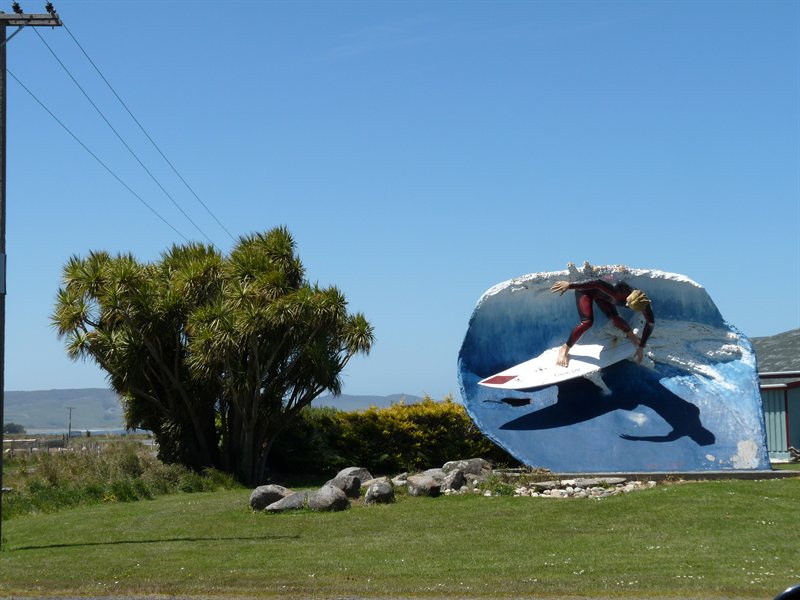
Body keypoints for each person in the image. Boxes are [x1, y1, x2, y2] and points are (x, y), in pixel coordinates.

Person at [550, 279, 654, 367]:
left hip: (603, 298)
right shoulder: (617, 290)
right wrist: (569, 285)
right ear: (628, 298)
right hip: (586, 291)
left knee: (616, 319)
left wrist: (641, 347)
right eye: (628, 303)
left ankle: (633, 337)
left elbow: (650, 323)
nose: (626, 305)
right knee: (587, 322)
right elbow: (598, 283)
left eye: (629, 306)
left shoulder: (643, 302)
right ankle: (565, 348)